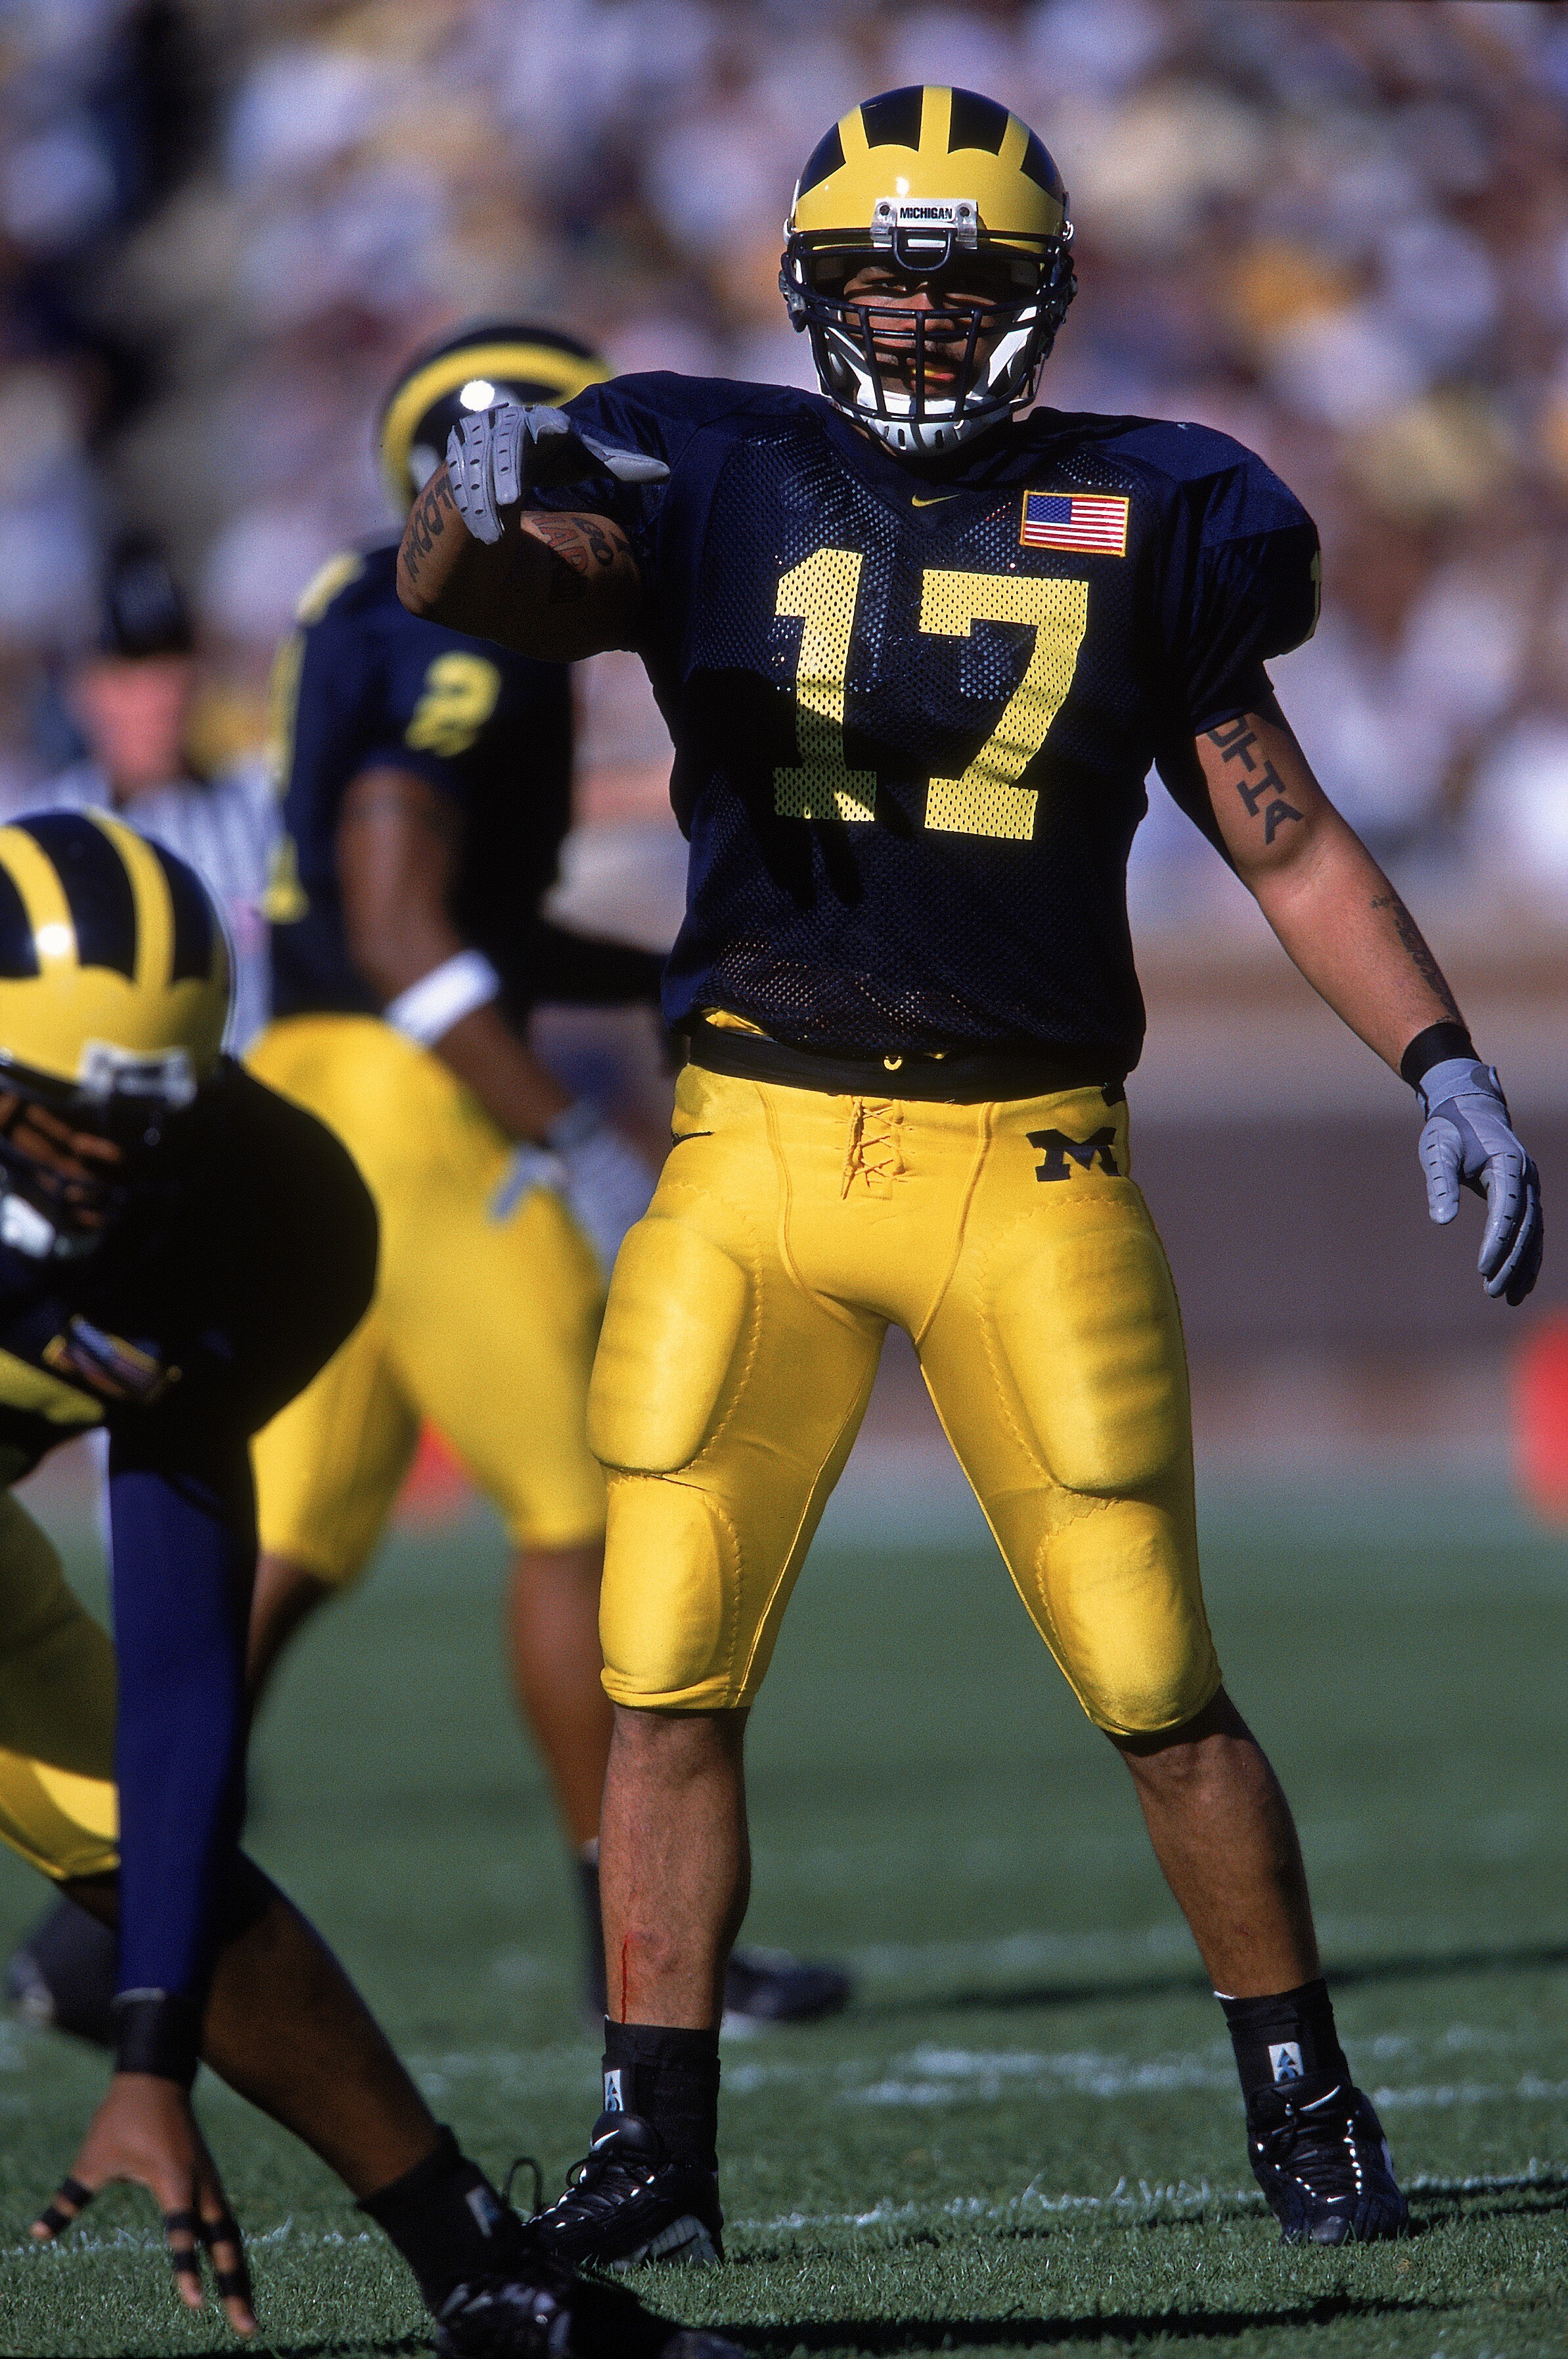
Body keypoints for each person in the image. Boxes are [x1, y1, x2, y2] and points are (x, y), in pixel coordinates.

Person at [398, 83, 1544, 2265]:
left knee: (1145, 1666)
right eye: (882, 287)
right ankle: (655, 2138)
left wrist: (1436, 1058)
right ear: (812, 298)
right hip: (747, 1147)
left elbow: (1276, 831)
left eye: (957, 291)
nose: (917, 332)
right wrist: (458, 518)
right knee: (664, 1658)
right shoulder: (699, 464)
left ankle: (1300, 2092)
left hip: (1023, 1159)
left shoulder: (1159, 509)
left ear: (1037, 303)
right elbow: (503, 607)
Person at [0, 808, 730, 2358]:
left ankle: (478, 2267)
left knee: (148, 1848)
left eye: (152, 1120)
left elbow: (187, 1661)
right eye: (67, 1122)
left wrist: (150, 2054)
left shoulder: (261, 1214)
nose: (111, 1169)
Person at [26, 537, 275, 1050]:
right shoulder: (38, 833)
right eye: (129, 673)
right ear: (82, 690)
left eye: (171, 666)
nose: (158, 697)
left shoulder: (263, 807)